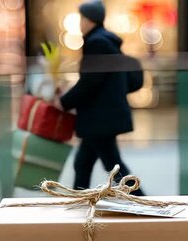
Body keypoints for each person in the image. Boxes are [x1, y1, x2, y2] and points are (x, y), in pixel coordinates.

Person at [56, 0, 144, 195]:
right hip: (101, 116)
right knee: (84, 163)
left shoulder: (97, 42)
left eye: (82, 18)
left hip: (100, 117)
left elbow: (90, 81)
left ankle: (140, 199)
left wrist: (64, 102)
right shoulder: (105, 40)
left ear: (90, 19)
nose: (79, 23)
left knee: (113, 165)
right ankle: (78, 201)